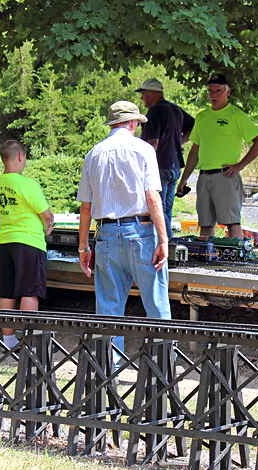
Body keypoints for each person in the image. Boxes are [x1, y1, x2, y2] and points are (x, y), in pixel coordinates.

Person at [77, 101, 171, 367]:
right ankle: (163, 370)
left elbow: (86, 207)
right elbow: (152, 197)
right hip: (141, 233)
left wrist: (83, 247)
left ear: (112, 123)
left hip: (105, 235)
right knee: (156, 305)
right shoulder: (143, 149)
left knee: (108, 309)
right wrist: (163, 240)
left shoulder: (93, 154)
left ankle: (108, 371)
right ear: (132, 123)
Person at [177, 74, 258, 239]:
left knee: (232, 221)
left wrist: (239, 165)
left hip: (225, 176)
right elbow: (195, 151)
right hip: (204, 176)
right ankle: (207, 254)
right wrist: (184, 179)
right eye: (210, 91)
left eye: (218, 91)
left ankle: (236, 253)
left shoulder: (236, 115)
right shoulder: (202, 116)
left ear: (227, 92)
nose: (214, 95)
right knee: (205, 222)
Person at [0, 140, 54, 350]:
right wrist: (46, 230)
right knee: (29, 291)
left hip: (4, 241)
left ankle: (8, 340)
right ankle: (28, 340)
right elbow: (47, 215)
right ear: (20, 156)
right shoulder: (27, 184)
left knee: (6, 292)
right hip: (29, 242)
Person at [135, 78, 195, 239]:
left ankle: (164, 245)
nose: (141, 98)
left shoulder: (155, 111)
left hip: (159, 167)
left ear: (151, 93)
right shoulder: (175, 109)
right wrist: (176, 143)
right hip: (174, 167)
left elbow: (152, 143)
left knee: (157, 211)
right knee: (166, 211)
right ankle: (168, 244)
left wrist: (140, 166)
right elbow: (194, 127)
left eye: (143, 94)